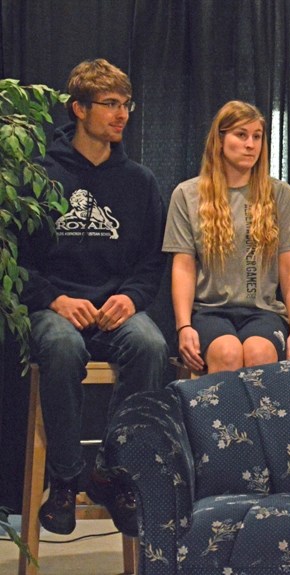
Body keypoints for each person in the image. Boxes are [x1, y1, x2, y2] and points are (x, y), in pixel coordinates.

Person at [19, 58, 169, 537]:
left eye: (126, 104)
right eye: (110, 104)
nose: (122, 114)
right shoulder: (38, 175)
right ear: (78, 109)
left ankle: (112, 471)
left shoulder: (140, 182)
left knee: (150, 344)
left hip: (113, 311)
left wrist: (130, 299)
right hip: (53, 309)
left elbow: (150, 266)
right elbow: (16, 261)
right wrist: (54, 299)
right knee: (63, 347)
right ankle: (65, 480)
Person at [163, 100, 290, 374]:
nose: (250, 144)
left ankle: (262, 418)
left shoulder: (280, 194)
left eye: (256, 136)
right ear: (220, 140)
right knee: (227, 352)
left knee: (258, 352)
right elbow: (183, 267)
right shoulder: (187, 194)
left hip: (263, 312)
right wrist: (183, 326)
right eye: (241, 135)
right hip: (210, 311)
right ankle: (223, 419)